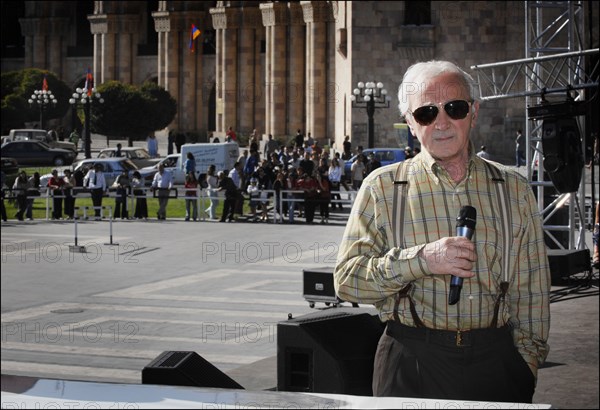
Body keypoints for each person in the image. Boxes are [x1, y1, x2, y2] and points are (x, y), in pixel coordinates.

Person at [334, 60, 550, 403]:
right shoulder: (383, 187)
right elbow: (347, 279)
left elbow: (532, 292)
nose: (442, 122)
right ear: (410, 122)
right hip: (411, 359)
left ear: (473, 112)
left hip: (495, 361)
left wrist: (526, 365)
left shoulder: (513, 188)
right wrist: (422, 260)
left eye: (455, 108)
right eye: (426, 113)